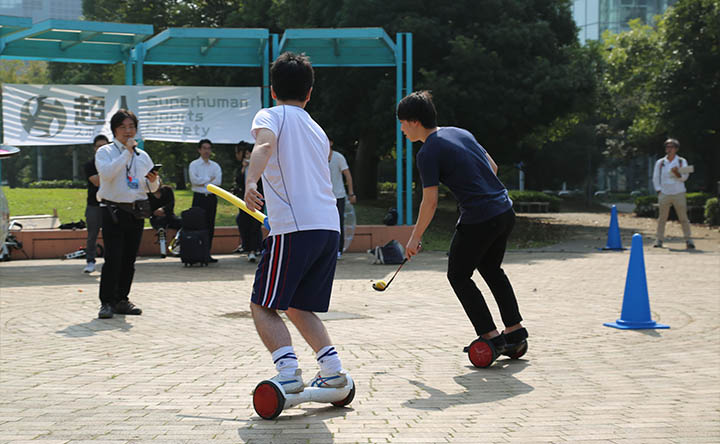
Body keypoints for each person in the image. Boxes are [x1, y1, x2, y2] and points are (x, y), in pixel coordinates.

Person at [244, 52, 349, 393]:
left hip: (294, 228)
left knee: (262, 305)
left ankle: (288, 372)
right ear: (310, 92)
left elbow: (264, 145)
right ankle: (332, 370)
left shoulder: (270, 115)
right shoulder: (317, 130)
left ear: (272, 90)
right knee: (298, 305)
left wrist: (250, 182)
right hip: (328, 228)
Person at [397, 90, 527, 357]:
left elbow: (430, 202)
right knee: (491, 269)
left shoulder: (428, 152)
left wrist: (414, 237)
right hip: (504, 210)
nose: (401, 129)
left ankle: (490, 336)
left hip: (480, 217)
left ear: (414, 121)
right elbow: (493, 167)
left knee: (458, 275)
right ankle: (514, 330)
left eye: (402, 123)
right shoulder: (460, 132)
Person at [95, 109, 159, 319]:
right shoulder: (105, 152)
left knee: (129, 259)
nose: (128, 131)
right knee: (113, 257)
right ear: (114, 130)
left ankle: (122, 299)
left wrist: (153, 181)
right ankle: (106, 302)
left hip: (135, 211)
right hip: (112, 210)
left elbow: (151, 187)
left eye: (131, 126)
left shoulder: (143, 156)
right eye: (123, 127)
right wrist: (126, 153)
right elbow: (107, 174)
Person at [652, 138, 695, 249]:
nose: (669, 149)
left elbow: (685, 177)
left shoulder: (681, 161)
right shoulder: (660, 162)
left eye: (671, 147)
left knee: (683, 217)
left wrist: (677, 174)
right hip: (664, 193)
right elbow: (656, 177)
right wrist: (658, 190)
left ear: (676, 149)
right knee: (662, 218)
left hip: (678, 192)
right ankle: (659, 240)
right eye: (667, 146)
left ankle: (688, 240)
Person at [189, 139, 221, 262]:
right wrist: (209, 180)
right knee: (197, 225)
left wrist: (202, 182)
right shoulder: (194, 165)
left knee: (210, 226)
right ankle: (196, 254)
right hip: (199, 198)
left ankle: (207, 254)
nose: (207, 151)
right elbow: (194, 181)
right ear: (199, 150)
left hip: (211, 198)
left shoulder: (215, 166)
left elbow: (218, 182)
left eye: (209, 148)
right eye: (204, 148)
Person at [233, 141, 263, 262]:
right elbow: (238, 181)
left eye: (250, 153)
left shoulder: (261, 166)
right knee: (244, 222)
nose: (248, 156)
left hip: (257, 198)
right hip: (244, 199)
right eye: (246, 154)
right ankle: (247, 247)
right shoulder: (242, 167)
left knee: (255, 224)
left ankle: (253, 250)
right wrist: (243, 168)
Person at [83, 134, 109, 273]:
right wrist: (110, 173)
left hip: (111, 204)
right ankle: (90, 261)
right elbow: (97, 181)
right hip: (94, 204)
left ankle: (110, 261)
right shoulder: (89, 165)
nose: (101, 149)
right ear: (94, 148)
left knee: (111, 235)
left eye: (104, 146)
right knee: (92, 235)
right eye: (99, 146)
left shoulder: (114, 162)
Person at [328, 140, 356, 258]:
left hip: (338, 195)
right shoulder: (318, 156)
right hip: (324, 197)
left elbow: (347, 175)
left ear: (331, 143)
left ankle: (338, 249)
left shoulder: (338, 157)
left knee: (339, 222)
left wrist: (351, 193)